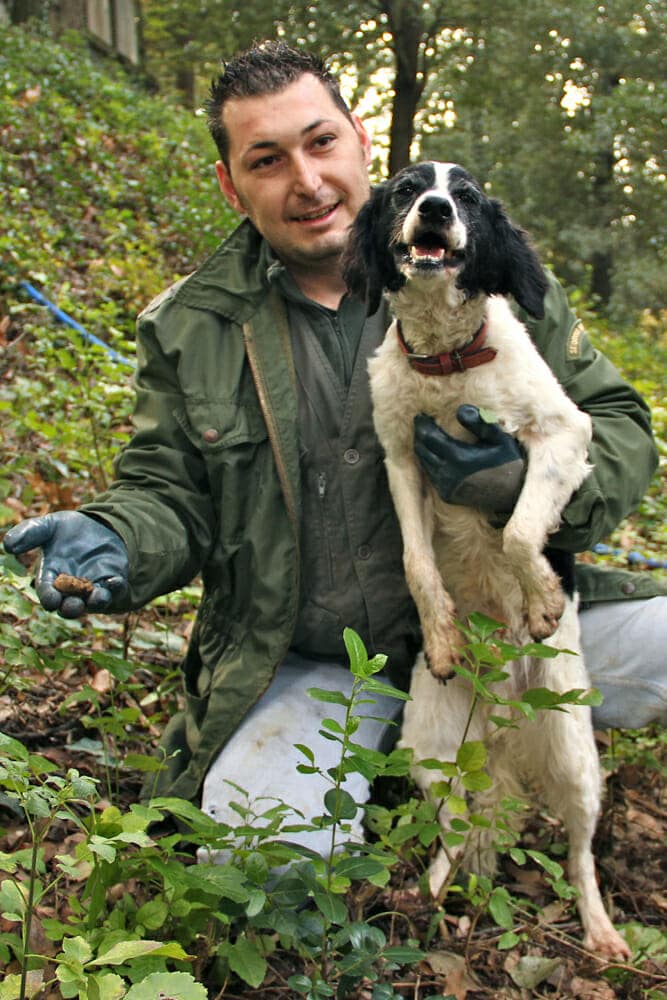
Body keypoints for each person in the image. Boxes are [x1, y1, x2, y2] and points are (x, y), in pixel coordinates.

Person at [4, 42, 665, 850]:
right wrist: (115, 536)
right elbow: (166, 490)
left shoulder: (482, 275)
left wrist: (517, 485)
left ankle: (477, 748)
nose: (308, 181)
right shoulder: (191, 327)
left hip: (505, 615)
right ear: (230, 185)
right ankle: (378, 773)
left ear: (360, 142)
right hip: (321, 663)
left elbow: (614, 423)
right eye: (266, 160)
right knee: (259, 855)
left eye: (321, 143)